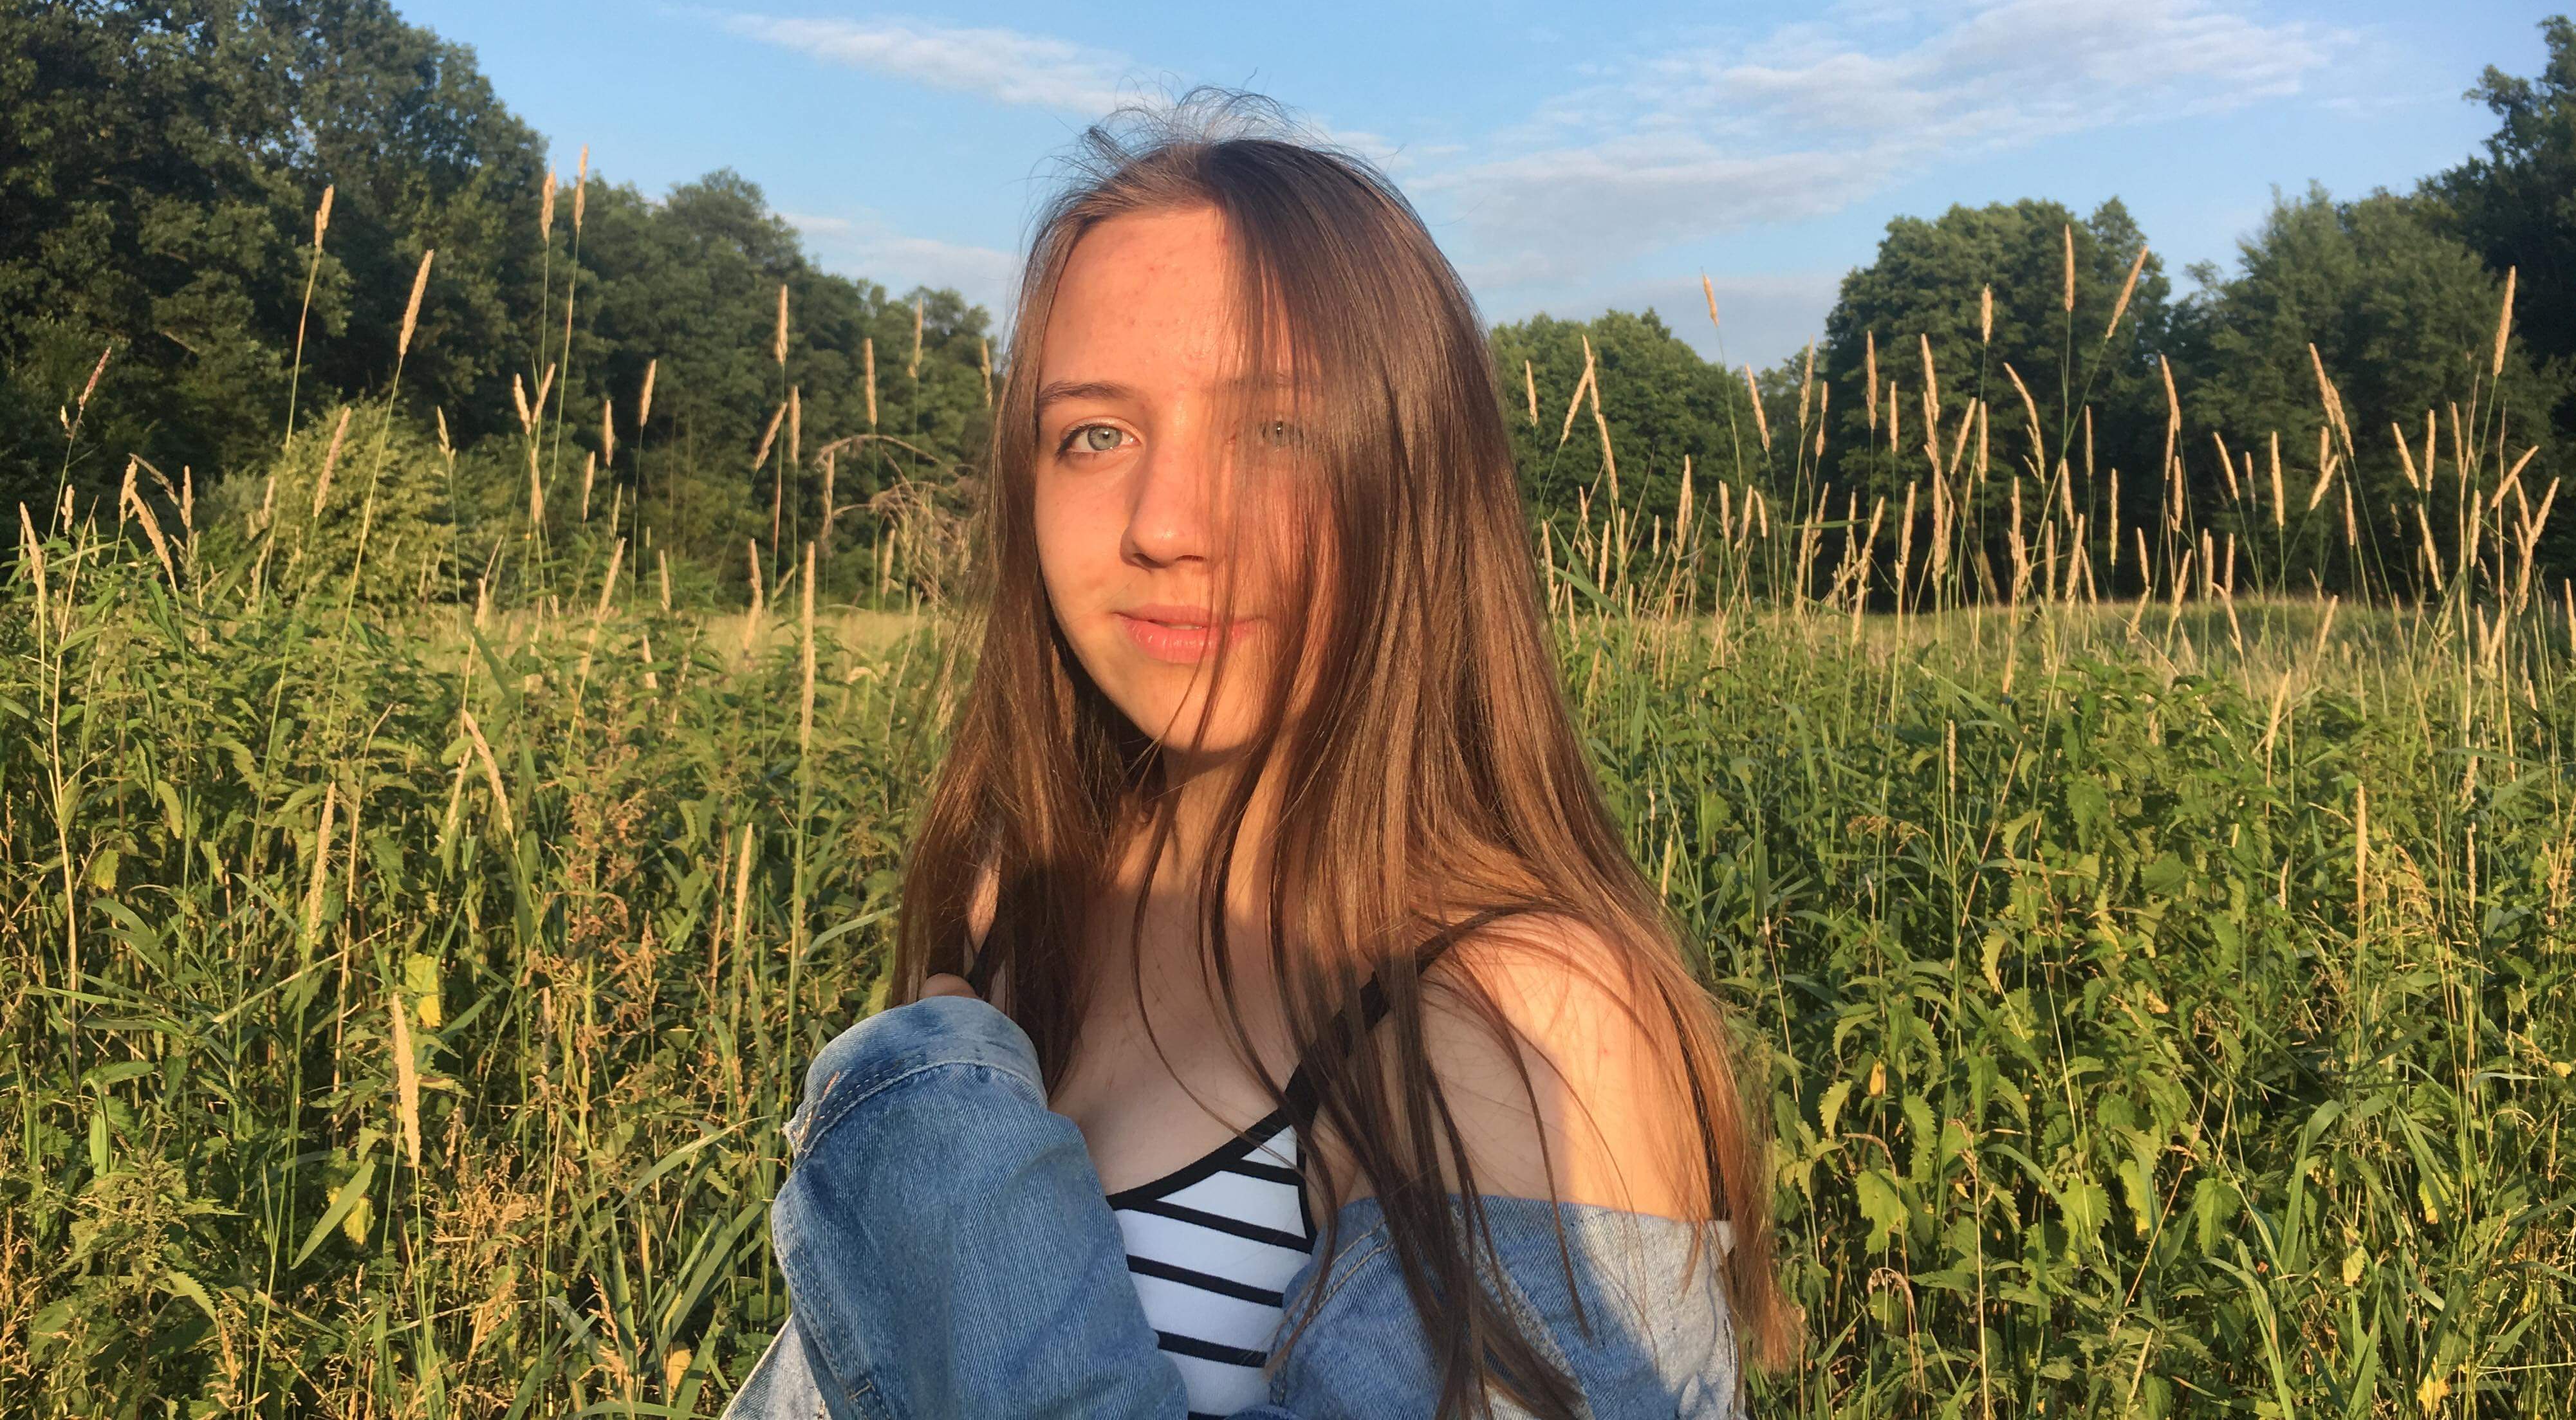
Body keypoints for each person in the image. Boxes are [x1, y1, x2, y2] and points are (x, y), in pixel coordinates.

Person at [728, 97, 1793, 1419]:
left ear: (1419, 481)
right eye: (1095, 434)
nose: (1168, 525)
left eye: (1276, 430)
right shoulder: (1032, 910)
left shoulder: (1522, 1025)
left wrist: (938, 1127)